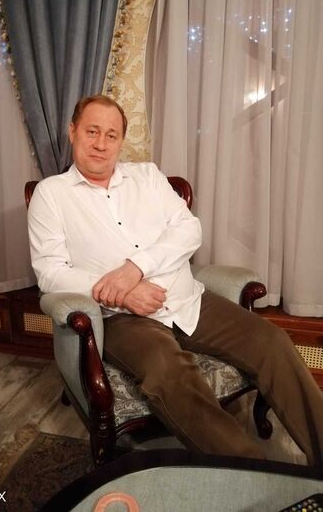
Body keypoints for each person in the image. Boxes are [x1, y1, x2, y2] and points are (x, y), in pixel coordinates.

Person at [28, 94, 323, 465]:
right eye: (92, 131)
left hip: (188, 301)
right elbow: (51, 271)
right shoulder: (51, 195)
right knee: (168, 371)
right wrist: (124, 294)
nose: (101, 143)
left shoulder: (148, 177)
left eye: (111, 135)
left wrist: (135, 268)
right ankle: (249, 473)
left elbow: (188, 229)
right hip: (122, 318)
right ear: (72, 132)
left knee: (272, 341)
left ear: (121, 140)